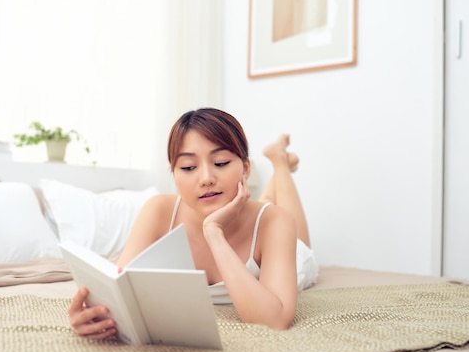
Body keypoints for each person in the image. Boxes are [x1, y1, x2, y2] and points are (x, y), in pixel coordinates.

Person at [68, 108, 318, 338]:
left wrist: (214, 232)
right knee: (263, 206)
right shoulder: (159, 210)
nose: (206, 178)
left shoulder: (276, 221)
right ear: (174, 175)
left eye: (220, 163)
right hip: (253, 218)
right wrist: (92, 316)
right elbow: (118, 291)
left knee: (287, 224)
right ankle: (278, 164)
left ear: (245, 168)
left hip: (292, 256)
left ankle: (280, 161)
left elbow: (273, 322)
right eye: (188, 167)